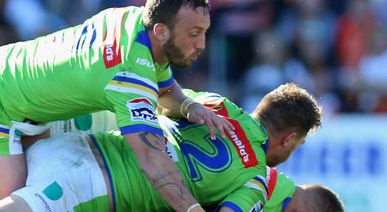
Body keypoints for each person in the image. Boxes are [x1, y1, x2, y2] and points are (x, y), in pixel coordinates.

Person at [0, 0, 234, 212]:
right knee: (15, 203)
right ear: (161, 31)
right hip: (6, 106)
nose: (202, 44)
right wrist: (192, 209)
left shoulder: (135, 19)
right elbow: (152, 162)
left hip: (11, 70)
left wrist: (189, 107)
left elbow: (165, 89)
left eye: (204, 32)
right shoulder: (129, 76)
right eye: (194, 33)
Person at [0, 83, 337, 212]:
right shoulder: (256, 182)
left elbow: (163, 99)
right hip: (88, 186)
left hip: (76, 144)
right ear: (290, 139)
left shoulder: (217, 105)